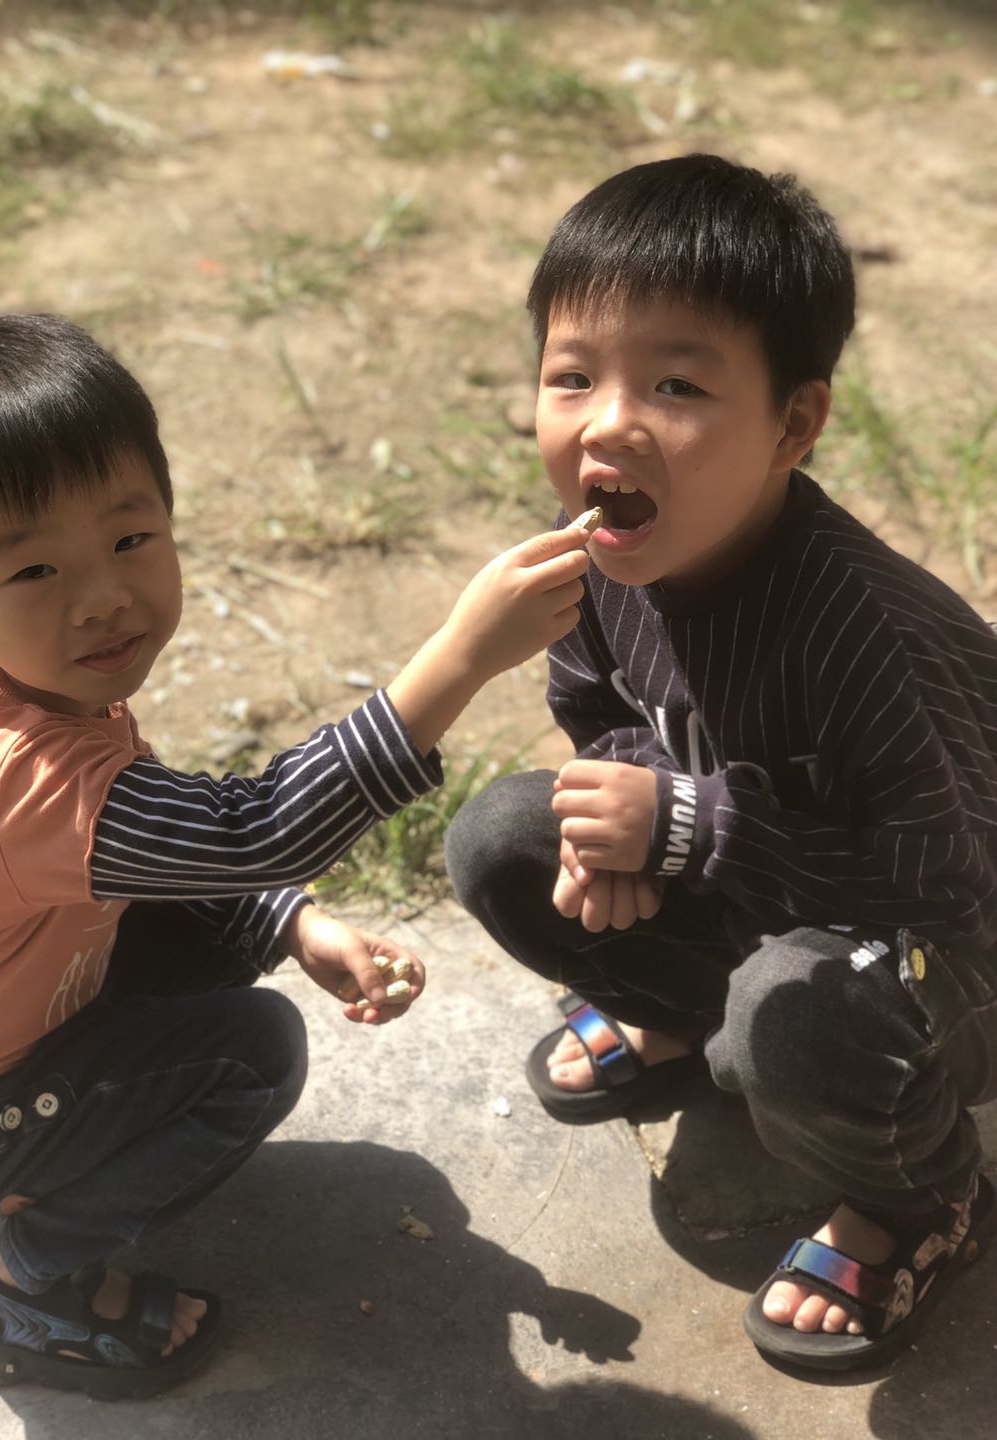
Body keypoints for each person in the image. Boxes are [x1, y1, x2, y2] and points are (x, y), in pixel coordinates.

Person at [0, 312, 592, 1399]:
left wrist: (294, 921)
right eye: (37, 568)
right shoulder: (19, 775)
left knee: (206, 920)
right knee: (252, 1053)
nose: (103, 597)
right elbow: (252, 831)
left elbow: (180, 851)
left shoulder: (23, 690)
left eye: (130, 541)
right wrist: (461, 657)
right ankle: (16, 1288)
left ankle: (69, 1164)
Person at [445, 152, 997, 1373]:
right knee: (502, 840)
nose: (608, 422)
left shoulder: (865, 632)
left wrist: (688, 827)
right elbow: (600, 710)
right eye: (572, 376)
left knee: (793, 1015)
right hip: (770, 880)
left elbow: (947, 883)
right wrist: (616, 828)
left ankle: (923, 1199)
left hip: (950, 954)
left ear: (793, 425)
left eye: (678, 385)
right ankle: (677, 1014)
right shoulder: (597, 557)